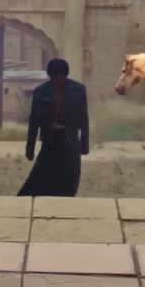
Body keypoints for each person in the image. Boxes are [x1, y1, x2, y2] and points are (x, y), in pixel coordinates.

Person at [17, 58, 90, 197]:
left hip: (70, 141)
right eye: (55, 77)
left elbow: (83, 118)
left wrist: (84, 145)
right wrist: (30, 148)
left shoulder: (78, 90)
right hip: (49, 142)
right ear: (50, 76)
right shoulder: (41, 91)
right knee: (43, 181)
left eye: (60, 77)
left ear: (65, 75)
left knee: (70, 180)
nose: (58, 81)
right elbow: (34, 122)